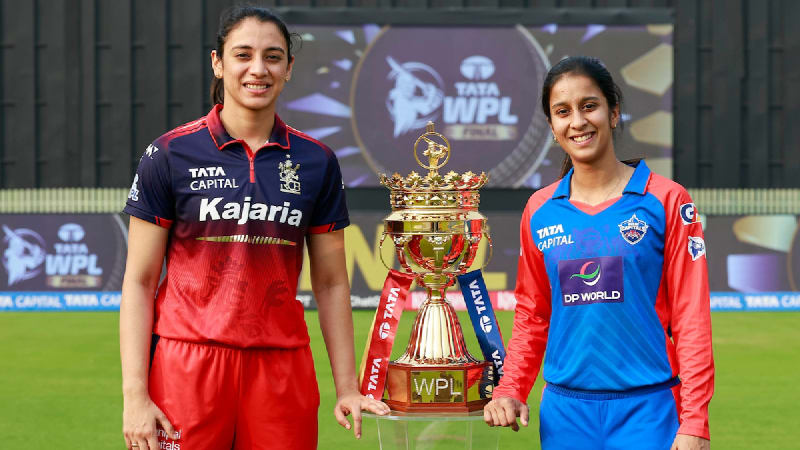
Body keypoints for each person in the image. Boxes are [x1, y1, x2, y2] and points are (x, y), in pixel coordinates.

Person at [119, 6, 388, 450]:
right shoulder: (169, 153)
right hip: (187, 364)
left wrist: (346, 388)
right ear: (218, 63)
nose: (257, 69)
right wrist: (134, 396)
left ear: (288, 69)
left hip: (281, 368)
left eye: (273, 57)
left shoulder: (316, 161)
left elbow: (332, 282)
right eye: (242, 55)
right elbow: (140, 281)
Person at [483, 56, 714, 450]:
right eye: (562, 112)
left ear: (613, 113)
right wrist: (511, 388)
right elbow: (533, 314)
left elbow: (691, 317)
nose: (577, 121)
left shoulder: (666, 199)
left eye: (589, 106)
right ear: (553, 127)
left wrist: (694, 422)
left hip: (649, 409)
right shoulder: (539, 211)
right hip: (565, 415)